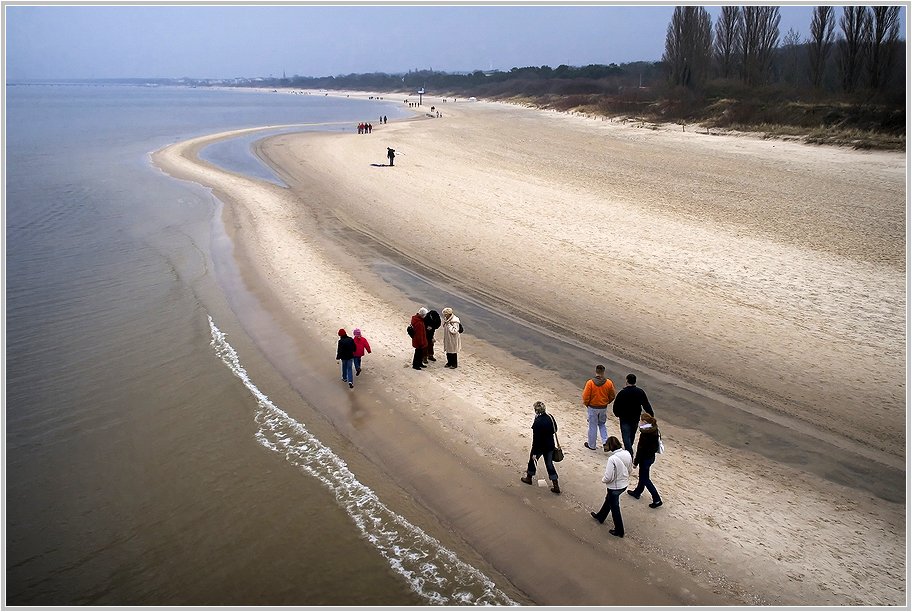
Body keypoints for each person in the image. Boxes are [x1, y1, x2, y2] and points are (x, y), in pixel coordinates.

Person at [590, 436, 632, 537]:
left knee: (615, 508)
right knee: (608, 499)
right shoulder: (627, 453)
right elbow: (630, 469)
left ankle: (619, 530)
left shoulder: (612, 459)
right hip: (624, 484)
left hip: (615, 486)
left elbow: (608, 477)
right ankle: (600, 516)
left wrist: (603, 480)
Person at [520, 401, 560, 494]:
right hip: (550, 445)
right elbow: (555, 429)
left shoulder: (537, 422)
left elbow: (536, 439)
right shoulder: (550, 417)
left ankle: (529, 477)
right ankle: (555, 484)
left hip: (540, 447)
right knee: (549, 464)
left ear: (536, 411)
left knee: (532, 461)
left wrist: (534, 452)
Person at [612, 373, 654, 454]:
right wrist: (651, 415)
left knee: (625, 435)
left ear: (627, 381)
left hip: (624, 417)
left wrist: (617, 414)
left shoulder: (623, 393)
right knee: (632, 434)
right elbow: (646, 404)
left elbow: (616, 405)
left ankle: (629, 451)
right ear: (635, 382)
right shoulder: (640, 392)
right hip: (635, 417)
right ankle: (629, 448)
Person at [628, 413, 663, 508]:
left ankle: (657, 499)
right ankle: (637, 492)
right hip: (651, 457)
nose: (640, 422)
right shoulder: (654, 430)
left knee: (645, 479)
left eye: (641, 421)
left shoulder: (645, 434)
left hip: (645, 459)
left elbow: (640, 450)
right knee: (643, 476)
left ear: (645, 422)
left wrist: (635, 462)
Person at [582, 365, 616, 452]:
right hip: (603, 407)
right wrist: (606, 402)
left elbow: (585, 396)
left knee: (592, 426)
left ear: (596, 371)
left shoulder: (590, 383)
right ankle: (605, 442)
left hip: (592, 407)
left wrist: (587, 404)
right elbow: (612, 395)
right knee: (602, 424)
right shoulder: (609, 383)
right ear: (603, 372)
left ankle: (592, 445)